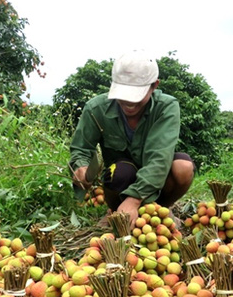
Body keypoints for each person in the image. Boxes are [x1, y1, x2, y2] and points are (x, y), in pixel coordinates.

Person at [69, 50, 195, 226]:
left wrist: (135, 199)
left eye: (137, 95)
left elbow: (159, 158)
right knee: (118, 172)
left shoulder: (166, 107)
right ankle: (115, 210)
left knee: (183, 167)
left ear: (154, 86)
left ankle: (160, 208)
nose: (129, 103)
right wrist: (81, 167)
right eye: (124, 94)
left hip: (156, 180)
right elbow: (81, 149)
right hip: (120, 179)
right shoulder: (95, 109)